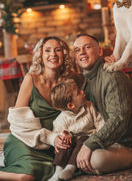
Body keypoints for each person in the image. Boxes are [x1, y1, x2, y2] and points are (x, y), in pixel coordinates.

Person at [0, 36, 75, 181]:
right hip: (24, 139)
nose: (52, 54)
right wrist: (51, 138)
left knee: (55, 171)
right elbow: (17, 122)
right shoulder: (30, 79)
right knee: (26, 177)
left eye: (57, 50)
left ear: (64, 54)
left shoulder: (71, 80)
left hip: (52, 146)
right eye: (47, 50)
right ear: (41, 55)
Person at [72, 33, 132, 174]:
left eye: (87, 47)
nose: (82, 52)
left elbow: (119, 119)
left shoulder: (112, 75)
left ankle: (78, 164)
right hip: (106, 141)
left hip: (128, 145)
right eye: (77, 50)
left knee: (95, 160)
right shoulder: (85, 81)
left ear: (100, 51)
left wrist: (89, 144)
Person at [43, 77, 104, 181]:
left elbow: (99, 122)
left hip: (86, 141)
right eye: (78, 93)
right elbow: (57, 133)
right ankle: (58, 170)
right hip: (71, 144)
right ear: (71, 105)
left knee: (83, 139)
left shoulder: (89, 106)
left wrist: (100, 136)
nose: (82, 92)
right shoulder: (61, 119)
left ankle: (70, 168)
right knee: (63, 142)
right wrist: (64, 135)